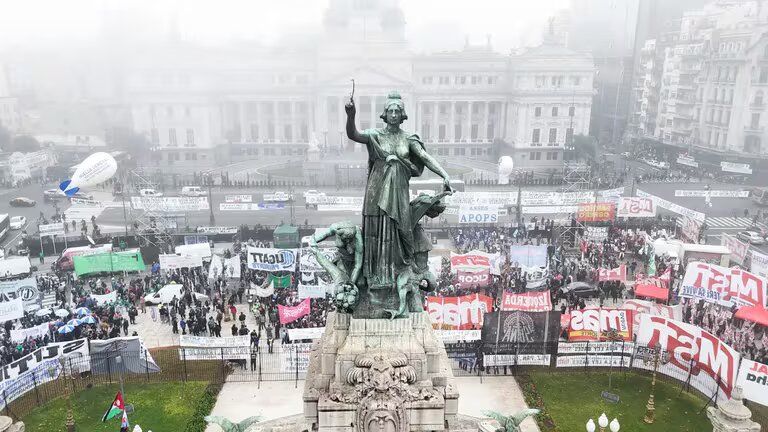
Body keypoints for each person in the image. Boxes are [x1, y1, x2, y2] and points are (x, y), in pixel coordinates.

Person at [344, 91, 452, 297]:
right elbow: (353, 135)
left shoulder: (408, 139)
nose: (394, 114)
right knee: (375, 234)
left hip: (399, 193)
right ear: (385, 114)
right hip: (376, 191)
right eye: (390, 110)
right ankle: (375, 276)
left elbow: (424, 157)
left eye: (397, 111)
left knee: (401, 232)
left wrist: (444, 175)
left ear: (402, 115)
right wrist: (351, 115)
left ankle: (397, 272)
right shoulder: (375, 135)